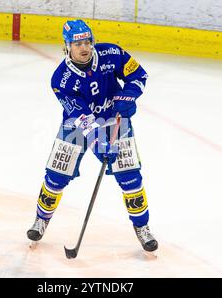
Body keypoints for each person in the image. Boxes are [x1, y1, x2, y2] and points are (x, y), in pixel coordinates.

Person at [27, 19, 158, 253]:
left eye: (88, 42)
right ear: (66, 46)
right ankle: (41, 220)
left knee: (130, 176)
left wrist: (127, 97)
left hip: (114, 120)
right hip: (76, 125)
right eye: (77, 44)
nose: (84, 48)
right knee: (56, 175)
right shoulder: (61, 79)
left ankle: (142, 227)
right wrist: (99, 140)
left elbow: (139, 75)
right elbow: (81, 116)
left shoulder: (112, 53)